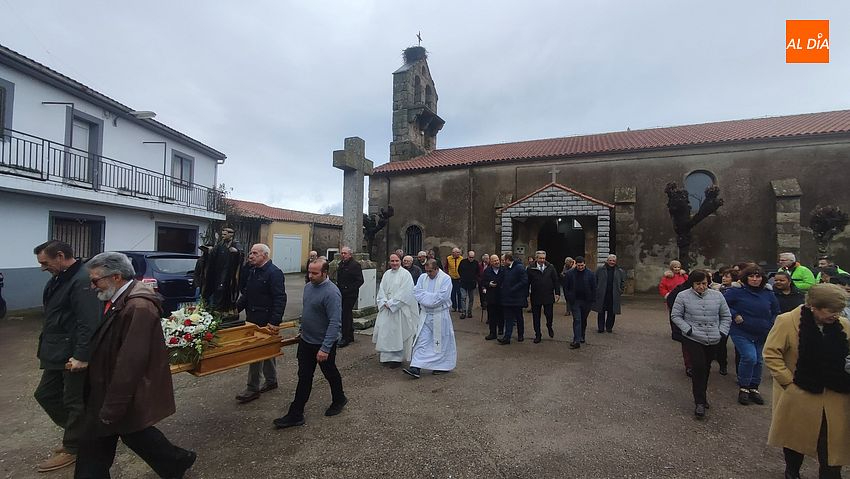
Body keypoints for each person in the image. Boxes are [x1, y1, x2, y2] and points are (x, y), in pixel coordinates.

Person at [77, 252, 195, 478]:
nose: (92, 287)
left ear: (116, 277)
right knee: (127, 434)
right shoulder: (120, 300)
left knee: (109, 439)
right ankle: (177, 461)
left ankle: (177, 461)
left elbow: (131, 361)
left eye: (95, 281)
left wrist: (113, 405)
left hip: (116, 390)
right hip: (107, 386)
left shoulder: (137, 307)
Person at [764, 283, 850, 478]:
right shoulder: (787, 321)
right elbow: (771, 354)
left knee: (831, 445)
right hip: (800, 393)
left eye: (839, 310)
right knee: (795, 439)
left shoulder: (844, 325)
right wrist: (788, 382)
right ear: (813, 306)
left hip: (835, 395)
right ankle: (792, 471)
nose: (836, 315)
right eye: (831, 310)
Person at [31, 240, 102, 472]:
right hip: (56, 350)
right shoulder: (61, 278)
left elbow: (88, 321)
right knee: (46, 394)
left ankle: (75, 447)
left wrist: (82, 355)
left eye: (45, 262)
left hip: (71, 353)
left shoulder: (81, 280)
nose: (43, 267)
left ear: (60, 256)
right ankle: (81, 435)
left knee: (73, 401)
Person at [274, 259, 347, 428]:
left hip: (323, 344)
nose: (310, 276)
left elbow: (335, 322)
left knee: (330, 372)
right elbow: (307, 311)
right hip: (306, 341)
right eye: (309, 272)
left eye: (315, 273)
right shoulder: (308, 287)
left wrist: (325, 348)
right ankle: (296, 414)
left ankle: (339, 399)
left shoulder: (332, 293)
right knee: (304, 377)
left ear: (325, 273)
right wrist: (302, 329)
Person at [670, 270, 732, 419]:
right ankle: (699, 401)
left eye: (704, 283)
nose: (701, 287)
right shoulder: (683, 296)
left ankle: (702, 396)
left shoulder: (717, 296)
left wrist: (722, 332)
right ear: (692, 283)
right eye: (698, 284)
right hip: (693, 337)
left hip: (713, 336)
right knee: (698, 367)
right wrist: (688, 330)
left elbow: (725, 316)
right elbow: (676, 315)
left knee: (707, 367)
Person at [234, 244, 287, 404]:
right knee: (266, 351)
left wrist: (274, 321)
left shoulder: (274, 273)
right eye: (250, 253)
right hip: (252, 318)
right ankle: (271, 381)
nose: (250, 256)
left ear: (264, 255)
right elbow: (247, 294)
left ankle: (252, 388)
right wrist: (234, 311)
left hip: (266, 321)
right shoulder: (253, 271)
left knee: (255, 354)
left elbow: (280, 298)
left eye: (254, 253)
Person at [724, 265, 780, 405]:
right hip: (741, 331)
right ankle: (744, 387)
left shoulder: (768, 293)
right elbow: (723, 305)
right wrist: (735, 314)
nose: (755, 279)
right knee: (749, 357)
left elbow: (775, 311)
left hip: (762, 331)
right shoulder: (736, 291)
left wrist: (771, 323)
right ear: (745, 278)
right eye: (751, 276)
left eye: (758, 276)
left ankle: (754, 387)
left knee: (759, 360)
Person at [403, 259, 457, 378]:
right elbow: (417, 292)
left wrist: (426, 298)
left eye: (431, 271)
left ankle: (441, 366)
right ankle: (415, 367)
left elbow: (441, 298)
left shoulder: (446, 279)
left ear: (437, 269)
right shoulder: (423, 277)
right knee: (421, 340)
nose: (428, 274)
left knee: (440, 343)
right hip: (426, 315)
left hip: (440, 315)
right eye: (426, 271)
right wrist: (429, 299)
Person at [373, 254, 419, 368]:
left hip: (398, 310)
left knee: (397, 333)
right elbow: (381, 289)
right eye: (392, 261)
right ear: (389, 262)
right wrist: (383, 301)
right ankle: (386, 357)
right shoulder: (386, 274)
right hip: (386, 309)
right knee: (386, 332)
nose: (394, 263)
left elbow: (406, 292)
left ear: (400, 261)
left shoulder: (405, 274)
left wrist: (392, 303)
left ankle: (397, 358)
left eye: (396, 261)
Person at [200, 226, 244, 311]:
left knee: (226, 291)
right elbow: (213, 253)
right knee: (217, 291)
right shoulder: (220, 244)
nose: (223, 236)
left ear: (231, 235)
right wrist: (208, 251)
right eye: (222, 234)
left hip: (229, 273)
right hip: (219, 272)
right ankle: (217, 310)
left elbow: (241, 254)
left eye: (224, 234)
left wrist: (236, 252)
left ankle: (227, 310)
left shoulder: (235, 243)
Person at [527, 250, 561, 343]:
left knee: (549, 315)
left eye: (544, 258)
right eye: (540, 258)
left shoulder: (550, 267)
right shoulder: (530, 268)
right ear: (536, 258)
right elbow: (527, 282)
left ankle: (549, 326)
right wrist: (527, 295)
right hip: (536, 296)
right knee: (536, 317)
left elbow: (555, 280)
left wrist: (557, 293)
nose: (542, 260)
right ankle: (538, 334)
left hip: (548, 296)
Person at [563, 256, 596, 349]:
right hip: (575, 300)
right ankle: (576, 340)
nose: (580, 267)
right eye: (578, 265)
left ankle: (582, 335)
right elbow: (566, 287)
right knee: (577, 319)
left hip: (587, 301)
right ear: (575, 264)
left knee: (583, 319)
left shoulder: (590, 274)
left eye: (582, 265)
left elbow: (594, 288)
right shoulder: (570, 274)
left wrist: (593, 300)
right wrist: (568, 298)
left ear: (584, 264)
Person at [335, 246, 363, 348]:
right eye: (342, 253)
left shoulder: (355, 265)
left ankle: (345, 337)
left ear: (350, 254)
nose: (343, 255)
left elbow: (360, 281)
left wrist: (349, 289)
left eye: (345, 253)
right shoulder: (341, 264)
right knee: (347, 315)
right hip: (341, 293)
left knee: (345, 315)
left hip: (350, 294)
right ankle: (350, 335)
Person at [498, 252, 528, 345]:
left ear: (507, 260)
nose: (502, 262)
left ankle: (520, 335)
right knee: (508, 318)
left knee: (519, 317)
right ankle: (507, 337)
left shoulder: (519, 267)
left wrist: (513, 289)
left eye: (503, 260)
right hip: (507, 298)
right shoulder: (505, 269)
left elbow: (524, 281)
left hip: (517, 298)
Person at [593, 254, 626, 333]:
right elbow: (595, 280)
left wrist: (620, 290)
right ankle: (601, 328)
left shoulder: (620, 271)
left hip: (613, 295)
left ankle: (609, 327)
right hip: (602, 294)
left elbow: (623, 282)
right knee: (601, 311)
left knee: (612, 312)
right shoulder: (600, 269)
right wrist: (596, 290)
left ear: (616, 262)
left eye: (613, 261)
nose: (612, 262)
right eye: (610, 260)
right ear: (607, 261)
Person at [481, 254, 505, 340]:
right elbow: (483, 282)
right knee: (492, 316)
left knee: (501, 315)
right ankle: (492, 333)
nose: (497, 262)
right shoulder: (487, 271)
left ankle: (501, 330)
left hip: (502, 296)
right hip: (491, 297)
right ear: (491, 262)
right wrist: (489, 284)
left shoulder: (503, 269)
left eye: (497, 260)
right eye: (494, 261)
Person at [458, 250, 480, 319]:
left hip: (472, 283)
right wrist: (463, 277)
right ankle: (463, 312)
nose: (471, 259)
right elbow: (459, 270)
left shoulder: (476, 263)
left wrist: (475, 279)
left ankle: (469, 311)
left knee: (471, 298)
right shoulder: (463, 262)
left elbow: (478, 272)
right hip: (463, 283)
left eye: (472, 257)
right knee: (463, 298)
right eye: (470, 257)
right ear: (468, 256)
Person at [444, 247, 463, 312]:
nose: (458, 254)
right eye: (457, 252)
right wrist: (447, 274)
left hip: (459, 278)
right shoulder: (448, 258)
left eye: (459, 252)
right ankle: (454, 307)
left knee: (459, 293)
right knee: (452, 293)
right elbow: (446, 267)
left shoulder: (461, 258)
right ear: (453, 253)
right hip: (451, 278)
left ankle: (460, 307)